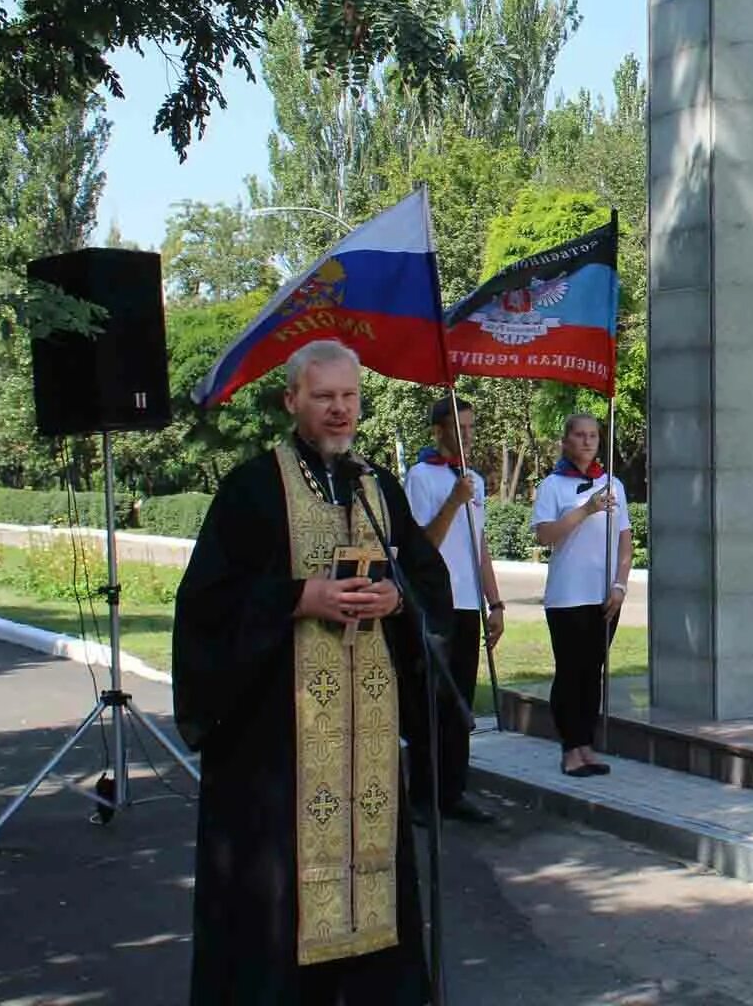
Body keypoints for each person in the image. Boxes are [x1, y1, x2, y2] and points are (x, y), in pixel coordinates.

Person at [172, 339, 453, 1006]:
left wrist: (396, 599)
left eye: (349, 396)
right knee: (277, 914)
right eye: (323, 396)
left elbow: (425, 581)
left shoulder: (377, 487)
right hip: (277, 752)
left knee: (377, 904)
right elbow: (206, 606)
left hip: (368, 753)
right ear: (292, 400)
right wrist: (300, 598)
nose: (338, 410)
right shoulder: (251, 489)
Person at [403, 394, 505, 825]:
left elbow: (478, 544)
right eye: (458, 429)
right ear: (438, 431)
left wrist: (494, 600)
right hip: (433, 604)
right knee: (431, 702)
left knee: (460, 702)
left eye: (470, 429)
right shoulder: (420, 477)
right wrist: (452, 502)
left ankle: (454, 790)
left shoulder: (474, 481)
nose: (466, 437)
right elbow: (420, 546)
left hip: (468, 604)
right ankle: (422, 795)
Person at [531, 413, 633, 777]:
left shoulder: (613, 484)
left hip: (603, 594)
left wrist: (620, 585)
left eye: (593, 435)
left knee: (593, 672)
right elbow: (545, 536)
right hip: (567, 596)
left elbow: (624, 540)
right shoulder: (553, 486)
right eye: (580, 435)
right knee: (571, 672)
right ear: (566, 440)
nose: (588, 441)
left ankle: (586, 744)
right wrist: (586, 509)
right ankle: (569, 747)